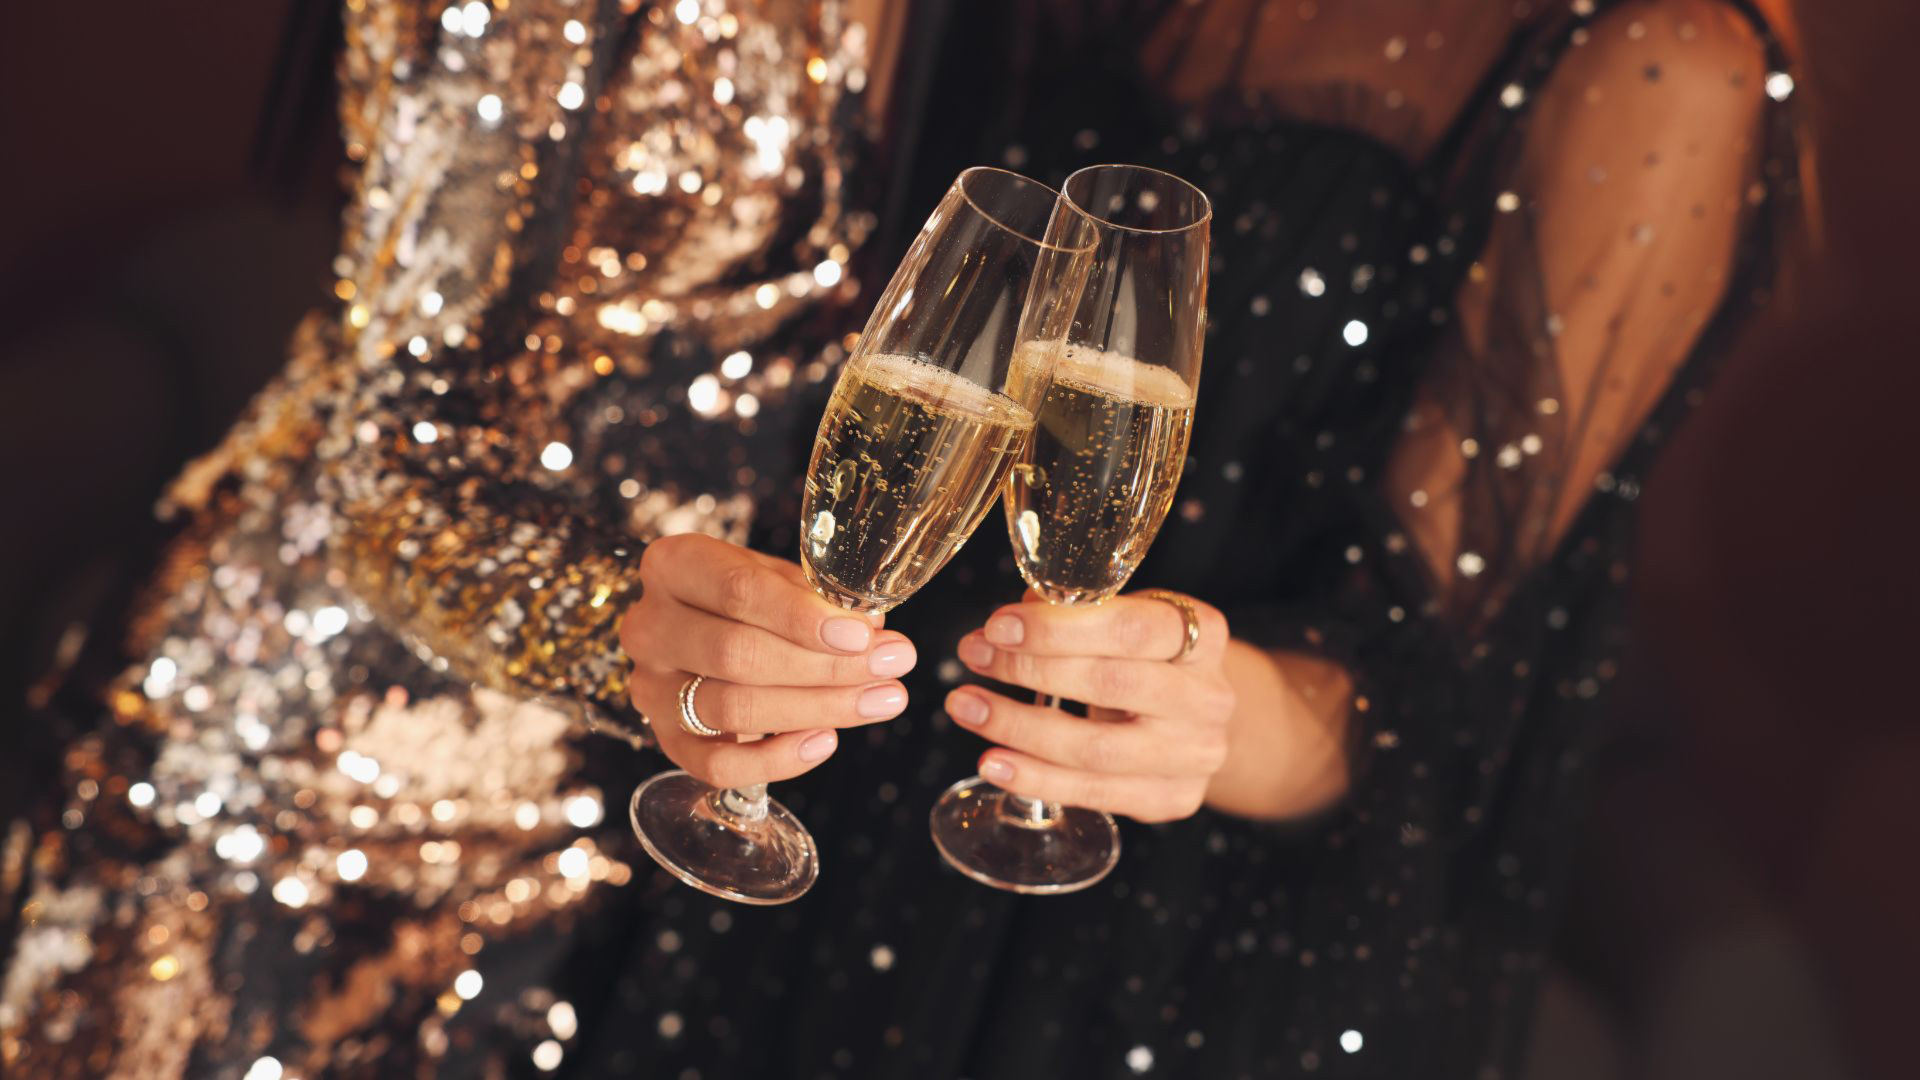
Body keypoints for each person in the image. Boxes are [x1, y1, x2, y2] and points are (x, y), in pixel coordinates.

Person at [0, 1, 1801, 1078]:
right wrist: (609, 632)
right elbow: (391, 440)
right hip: (486, 829)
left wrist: (1213, 707)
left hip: (1136, 961)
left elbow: (1450, 706)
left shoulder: (1661, 67)